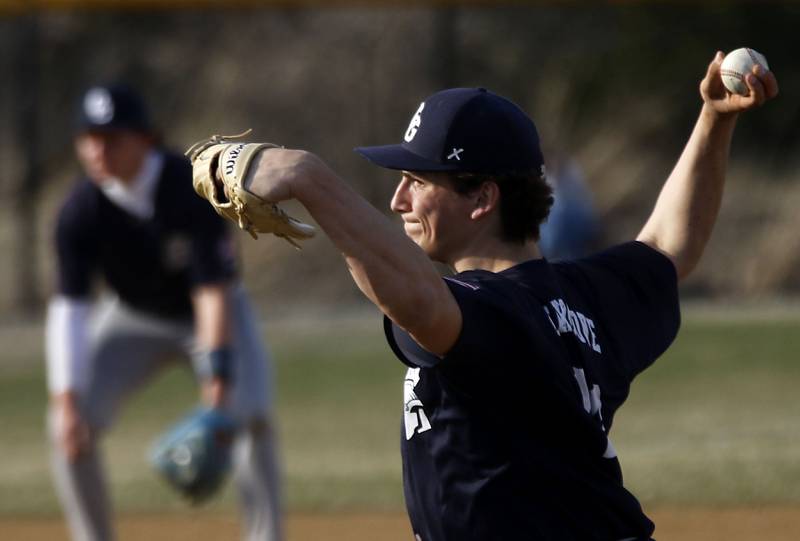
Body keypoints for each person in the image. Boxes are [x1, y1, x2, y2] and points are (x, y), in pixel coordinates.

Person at [213, 52, 777, 539]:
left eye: (419, 181)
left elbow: (419, 300)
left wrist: (309, 178)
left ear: (482, 198)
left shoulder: (490, 311)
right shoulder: (587, 295)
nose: (398, 200)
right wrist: (712, 122)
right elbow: (668, 246)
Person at [46, 84, 282, 541]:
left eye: (111, 138)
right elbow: (69, 310)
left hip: (210, 315)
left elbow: (213, 292)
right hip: (132, 317)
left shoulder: (187, 186)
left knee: (249, 417)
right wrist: (67, 399)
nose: (98, 150)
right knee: (66, 428)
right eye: (88, 138)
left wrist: (218, 390)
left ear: (145, 138)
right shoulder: (79, 210)